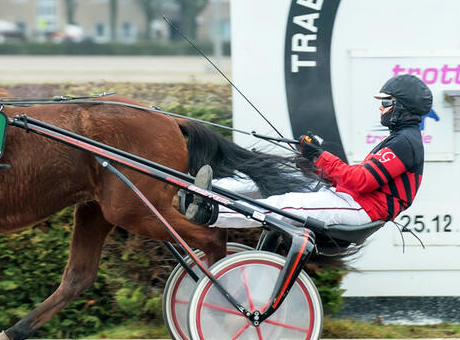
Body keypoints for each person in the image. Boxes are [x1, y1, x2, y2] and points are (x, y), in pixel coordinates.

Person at [183, 74, 432, 228]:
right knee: (281, 176)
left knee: (283, 205)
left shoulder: (405, 143)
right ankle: (212, 189)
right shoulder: (400, 138)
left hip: (362, 209)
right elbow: (360, 177)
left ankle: (211, 212)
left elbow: (362, 180)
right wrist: (316, 159)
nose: (381, 108)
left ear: (402, 107)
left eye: (386, 103)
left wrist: (318, 155)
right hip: (351, 197)